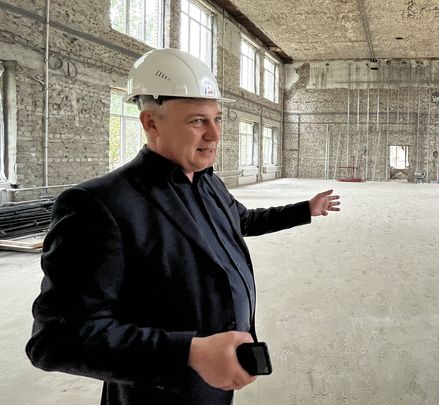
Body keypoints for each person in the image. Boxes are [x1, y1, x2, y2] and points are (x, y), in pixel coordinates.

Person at [25, 48, 340, 405]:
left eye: (216, 119)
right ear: (151, 123)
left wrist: (304, 209)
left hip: (217, 384)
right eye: (196, 121)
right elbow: (55, 340)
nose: (214, 135)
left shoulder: (208, 183)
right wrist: (187, 353)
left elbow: (242, 221)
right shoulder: (99, 204)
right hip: (156, 393)